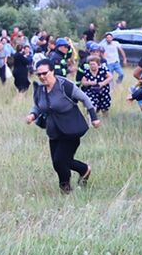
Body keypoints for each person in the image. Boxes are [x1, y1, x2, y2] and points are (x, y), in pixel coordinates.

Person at [26, 59, 101, 194]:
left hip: (71, 128)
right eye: (39, 74)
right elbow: (38, 105)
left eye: (45, 73)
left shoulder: (65, 85)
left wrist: (94, 118)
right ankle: (77, 176)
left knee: (61, 160)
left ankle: (68, 186)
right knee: (58, 163)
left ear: (52, 71)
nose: (42, 77)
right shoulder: (40, 89)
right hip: (54, 130)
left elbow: (85, 99)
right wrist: (32, 115)